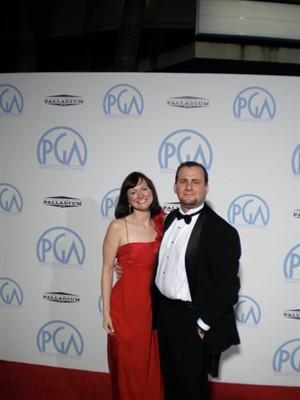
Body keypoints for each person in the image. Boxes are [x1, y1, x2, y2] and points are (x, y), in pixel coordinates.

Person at [154, 161, 241, 400]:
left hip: (193, 321)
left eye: (195, 181)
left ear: (206, 188)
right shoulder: (169, 219)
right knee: (170, 381)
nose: (189, 187)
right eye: (183, 181)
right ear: (174, 187)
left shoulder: (221, 231)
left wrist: (203, 324)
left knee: (192, 388)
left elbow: (228, 287)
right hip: (164, 315)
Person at [101, 171, 164, 400]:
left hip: (154, 310)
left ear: (152, 192)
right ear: (126, 198)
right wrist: (106, 312)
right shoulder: (118, 227)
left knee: (151, 369)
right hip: (125, 309)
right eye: (133, 191)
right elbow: (108, 269)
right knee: (128, 369)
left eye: (144, 189)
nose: (140, 195)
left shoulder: (163, 225)